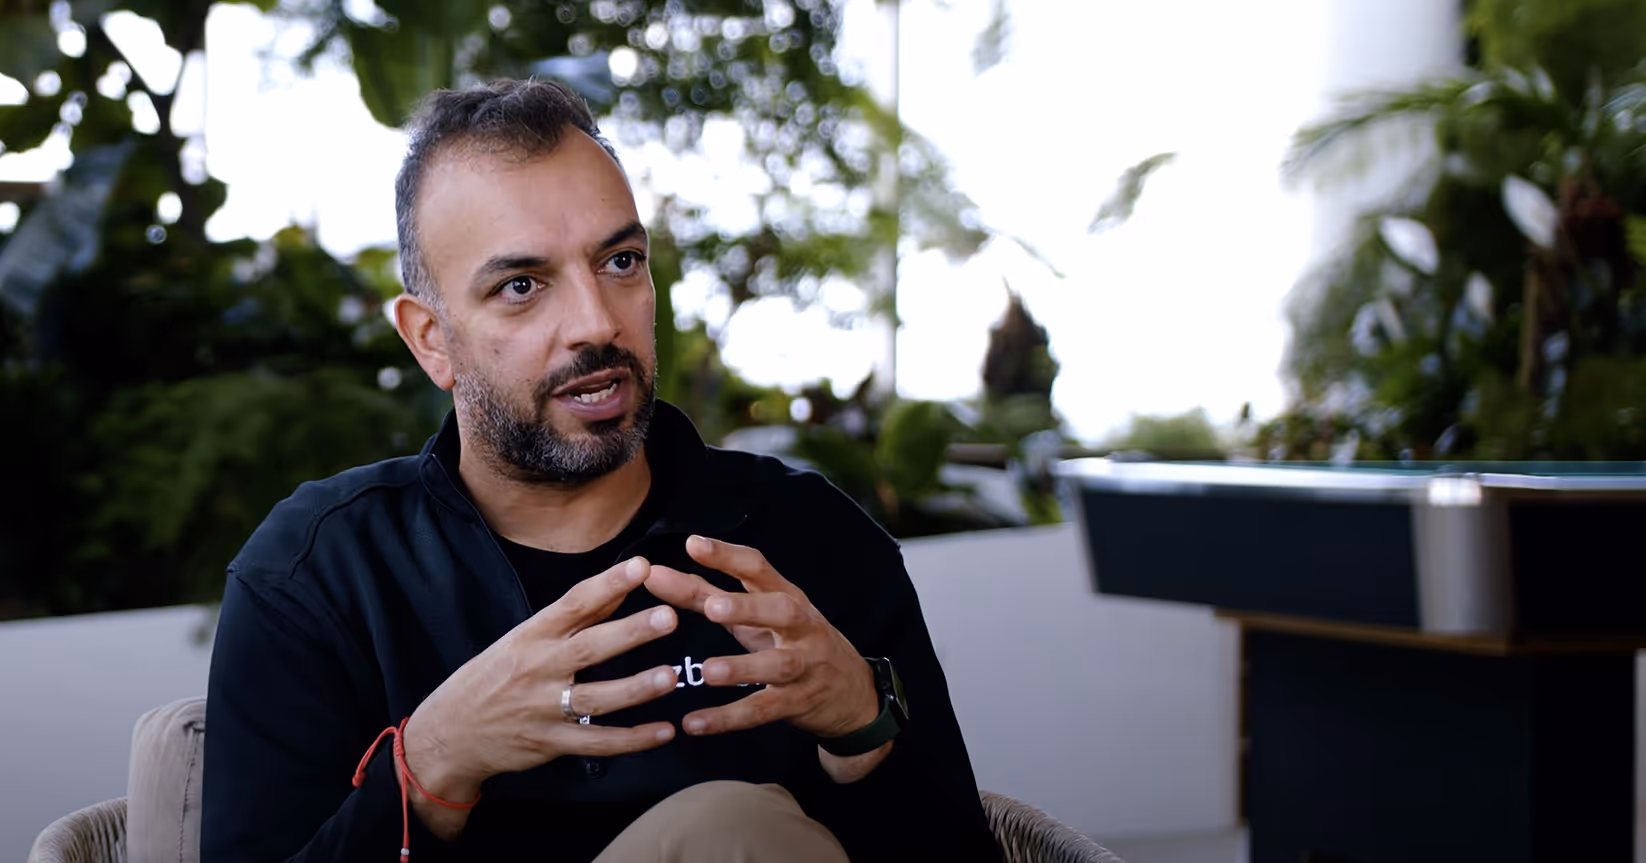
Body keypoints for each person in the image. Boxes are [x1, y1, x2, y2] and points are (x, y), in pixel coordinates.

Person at [201, 78, 1000, 863]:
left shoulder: (810, 540)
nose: (596, 322)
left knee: (731, 828)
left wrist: (861, 723)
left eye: (620, 261)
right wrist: (436, 756)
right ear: (430, 340)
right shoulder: (317, 574)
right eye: (521, 286)